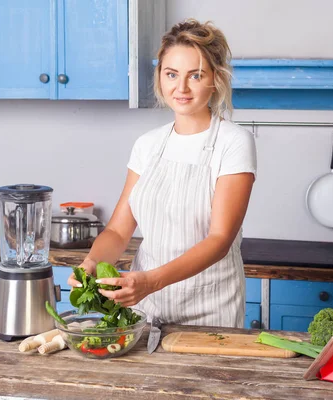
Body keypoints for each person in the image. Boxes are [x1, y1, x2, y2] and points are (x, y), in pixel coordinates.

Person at [68, 19, 256, 328]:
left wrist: (151, 282)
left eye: (195, 76)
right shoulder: (148, 145)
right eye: (171, 74)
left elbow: (220, 239)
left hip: (210, 312)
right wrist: (92, 262)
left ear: (215, 79)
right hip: (145, 310)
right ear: (160, 76)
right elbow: (117, 232)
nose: (181, 88)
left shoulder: (233, 143)